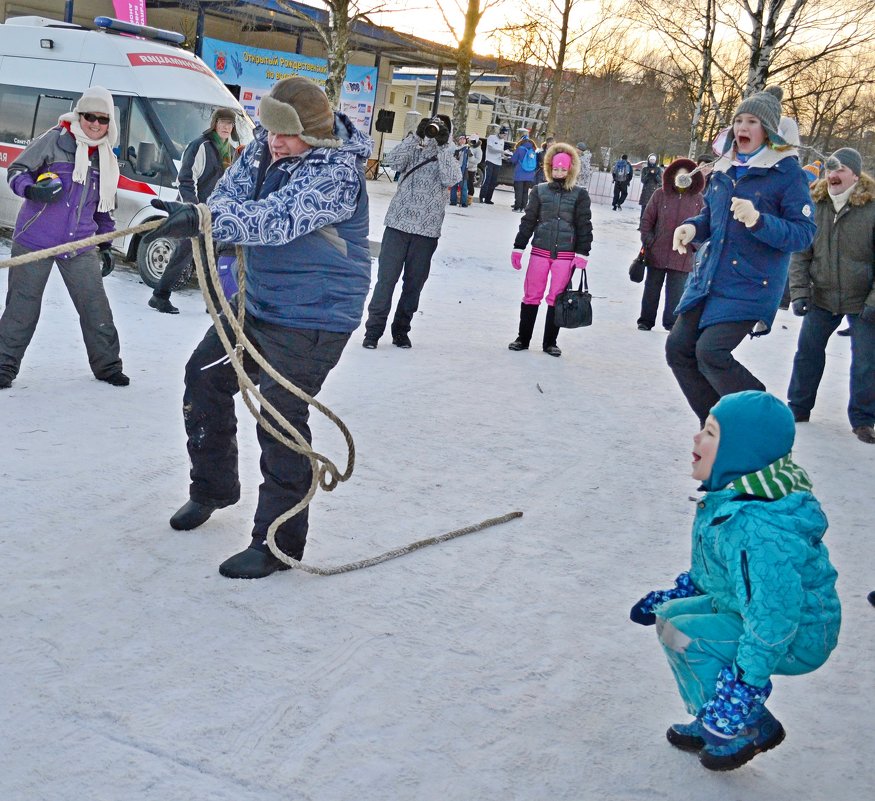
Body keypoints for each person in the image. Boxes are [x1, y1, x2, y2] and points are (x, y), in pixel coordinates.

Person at [145, 76, 373, 579]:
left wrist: (208, 222)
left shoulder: (337, 173)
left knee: (280, 417)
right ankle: (213, 488)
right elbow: (226, 196)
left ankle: (277, 542)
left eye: (286, 134)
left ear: (314, 134)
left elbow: (276, 219)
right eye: (270, 130)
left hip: (315, 314)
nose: (275, 141)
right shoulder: (261, 149)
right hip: (258, 302)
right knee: (203, 376)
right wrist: (203, 214)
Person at [630, 390, 840, 771]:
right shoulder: (735, 497)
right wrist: (680, 592)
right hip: (749, 610)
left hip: (795, 635)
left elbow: (773, 620)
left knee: (690, 636)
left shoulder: (759, 528)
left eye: (710, 433)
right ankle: (712, 714)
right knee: (669, 620)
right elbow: (720, 572)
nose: (697, 437)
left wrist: (744, 688)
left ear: (741, 452)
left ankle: (745, 724)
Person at [665, 86, 816, 426]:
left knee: (711, 353)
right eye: (738, 120)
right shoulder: (725, 167)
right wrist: (692, 228)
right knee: (678, 350)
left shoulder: (786, 173)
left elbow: (803, 233)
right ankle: (717, 425)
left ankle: (759, 413)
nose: (742, 127)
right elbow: (710, 218)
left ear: (768, 130)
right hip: (708, 279)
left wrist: (759, 220)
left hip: (751, 283)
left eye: (751, 121)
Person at [0, 86, 128, 390]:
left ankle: (108, 366)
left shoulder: (107, 158)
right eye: (89, 116)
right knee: (22, 307)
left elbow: (103, 207)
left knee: (95, 306)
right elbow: (17, 170)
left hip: (79, 244)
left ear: (111, 123)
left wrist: (106, 244)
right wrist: (32, 190)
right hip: (35, 238)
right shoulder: (54, 140)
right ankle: (3, 365)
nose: (95, 124)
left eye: (102, 118)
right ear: (78, 114)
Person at [787, 147, 875, 444]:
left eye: (840, 170)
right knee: (807, 352)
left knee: (866, 360)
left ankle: (863, 419)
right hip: (822, 295)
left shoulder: (871, 207)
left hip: (862, 298)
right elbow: (801, 252)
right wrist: (800, 293)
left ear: (854, 174)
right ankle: (798, 407)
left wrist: (873, 303)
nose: (833, 175)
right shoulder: (815, 203)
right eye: (830, 170)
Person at [362, 113, 459, 349]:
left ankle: (401, 331)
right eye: (432, 125)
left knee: (413, 285)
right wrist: (415, 135)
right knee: (385, 281)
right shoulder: (414, 147)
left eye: (440, 127)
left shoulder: (449, 154)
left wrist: (445, 146)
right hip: (398, 225)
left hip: (426, 231)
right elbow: (392, 162)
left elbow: (451, 178)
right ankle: (373, 332)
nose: (435, 130)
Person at [148, 107, 239, 314]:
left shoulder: (232, 152)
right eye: (222, 122)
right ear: (215, 124)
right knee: (186, 254)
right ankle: (161, 296)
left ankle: (212, 302)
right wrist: (194, 208)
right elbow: (186, 179)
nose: (226, 127)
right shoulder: (200, 146)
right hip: (195, 211)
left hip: (216, 214)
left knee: (211, 256)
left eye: (230, 124)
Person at [508, 143, 592, 357]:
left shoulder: (580, 195)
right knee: (531, 295)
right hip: (540, 251)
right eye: (556, 169)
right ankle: (523, 338)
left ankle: (550, 342)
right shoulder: (539, 191)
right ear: (549, 168)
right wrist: (519, 247)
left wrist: (582, 253)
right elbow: (528, 220)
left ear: (571, 170)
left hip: (565, 254)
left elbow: (584, 225)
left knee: (556, 297)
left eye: (563, 170)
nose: (559, 173)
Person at [637, 158, 705, 332]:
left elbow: (704, 227)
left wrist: (693, 246)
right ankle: (645, 320)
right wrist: (650, 241)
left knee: (676, 293)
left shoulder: (698, 200)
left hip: (682, 256)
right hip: (656, 252)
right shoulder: (660, 194)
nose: (682, 179)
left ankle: (671, 323)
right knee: (651, 290)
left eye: (686, 175)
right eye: (678, 175)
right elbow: (647, 220)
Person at [479, 125, 509, 204]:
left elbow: (501, 151)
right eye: (504, 135)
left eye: (505, 135)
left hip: (498, 162)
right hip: (490, 161)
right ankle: (482, 197)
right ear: (500, 133)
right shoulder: (491, 138)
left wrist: (504, 157)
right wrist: (501, 152)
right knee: (487, 180)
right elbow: (491, 149)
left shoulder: (502, 141)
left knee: (493, 182)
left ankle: (488, 199)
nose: (504, 137)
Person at [510, 132, 538, 211]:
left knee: (518, 191)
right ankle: (523, 207)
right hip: (530, 175)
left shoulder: (520, 149)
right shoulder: (533, 150)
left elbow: (513, 160)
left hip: (519, 174)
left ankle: (517, 207)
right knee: (525, 192)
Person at [449, 134, 474, 208]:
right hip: (455, 169)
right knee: (454, 186)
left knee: (464, 187)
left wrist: (470, 154)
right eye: (461, 139)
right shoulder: (455, 148)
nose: (462, 140)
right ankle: (453, 201)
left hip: (464, 170)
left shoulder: (468, 148)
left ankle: (464, 202)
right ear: (459, 140)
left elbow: (472, 160)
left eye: (464, 139)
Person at [638, 153, 662, 224]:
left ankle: (650, 226)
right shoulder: (645, 169)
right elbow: (643, 180)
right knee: (643, 209)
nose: (652, 161)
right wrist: (648, 175)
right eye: (651, 160)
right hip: (646, 191)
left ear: (655, 161)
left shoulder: (658, 169)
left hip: (654, 192)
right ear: (648, 160)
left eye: (653, 160)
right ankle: (641, 225)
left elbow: (660, 181)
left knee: (653, 210)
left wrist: (655, 176)